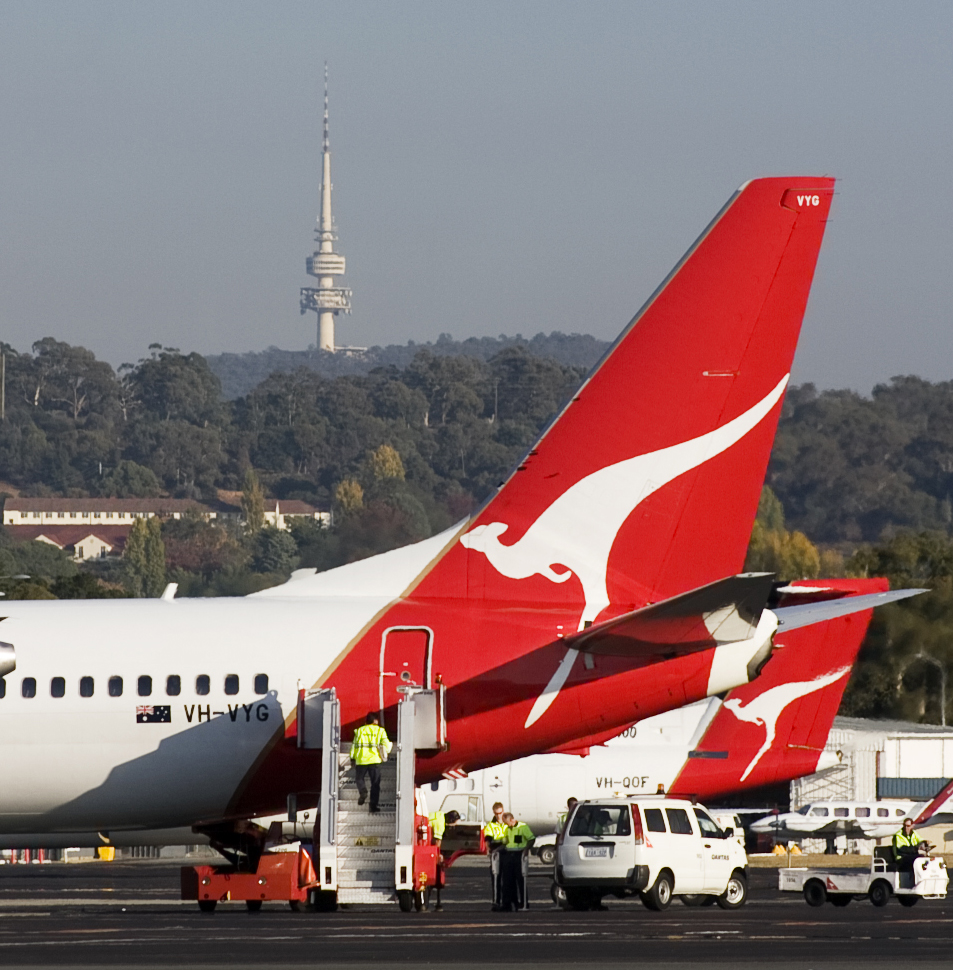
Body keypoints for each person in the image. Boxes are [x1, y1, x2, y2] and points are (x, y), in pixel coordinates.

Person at [349, 712, 392, 813]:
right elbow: (386, 744)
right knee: (375, 784)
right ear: (375, 721)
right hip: (374, 760)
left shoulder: (359, 731)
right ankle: (373, 806)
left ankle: (363, 791)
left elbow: (354, 746)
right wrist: (387, 752)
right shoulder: (380, 731)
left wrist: (352, 757)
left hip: (361, 759)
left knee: (359, 779)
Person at [499, 812, 535, 911]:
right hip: (509, 854)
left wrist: (526, 850)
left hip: (519, 855)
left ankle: (524, 903)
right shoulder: (506, 829)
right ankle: (509, 903)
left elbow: (531, 839)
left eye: (506, 822)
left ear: (511, 820)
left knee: (521, 880)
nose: (506, 824)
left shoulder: (522, 827)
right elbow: (505, 843)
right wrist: (497, 850)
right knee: (507, 881)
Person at [483, 802, 507, 910]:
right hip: (496, 854)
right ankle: (496, 902)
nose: (498, 816)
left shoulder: (508, 824)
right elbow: (488, 841)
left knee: (507, 880)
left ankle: (507, 902)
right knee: (496, 879)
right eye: (496, 813)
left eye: (500, 813)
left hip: (507, 854)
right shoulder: (490, 826)